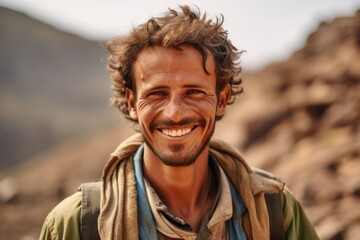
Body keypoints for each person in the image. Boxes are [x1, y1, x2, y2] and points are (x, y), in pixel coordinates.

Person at [39, 5, 319, 240]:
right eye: (157, 94)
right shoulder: (77, 223)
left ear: (221, 99)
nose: (174, 113)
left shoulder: (275, 209)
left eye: (194, 92)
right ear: (132, 101)